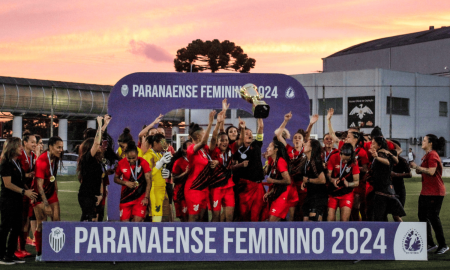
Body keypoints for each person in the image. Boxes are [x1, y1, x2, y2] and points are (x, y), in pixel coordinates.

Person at [0, 138, 37, 265]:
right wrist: (24, 192)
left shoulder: (17, 163)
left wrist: (29, 191)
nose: (21, 148)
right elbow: (8, 184)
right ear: (12, 148)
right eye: (19, 146)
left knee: (16, 227)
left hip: (17, 200)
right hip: (8, 200)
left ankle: (11, 254)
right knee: (5, 227)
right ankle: (2, 256)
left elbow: (20, 181)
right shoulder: (6, 163)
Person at [275, 112, 317, 221]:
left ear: (303, 141)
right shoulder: (289, 149)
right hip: (292, 184)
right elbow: (278, 135)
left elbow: (306, 136)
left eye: (299, 138)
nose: (297, 139)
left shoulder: (305, 150)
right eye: (295, 138)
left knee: (303, 210)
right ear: (293, 140)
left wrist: (311, 124)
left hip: (303, 185)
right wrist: (286, 121)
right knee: (292, 212)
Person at [410, 134, 448, 254]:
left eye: (424, 140)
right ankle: (431, 243)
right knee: (422, 216)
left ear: (430, 143)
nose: (422, 142)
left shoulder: (432, 154)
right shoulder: (427, 155)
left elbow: (431, 172)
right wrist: (417, 168)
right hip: (426, 191)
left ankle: (443, 245)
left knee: (433, 217)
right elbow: (423, 170)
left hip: (435, 192)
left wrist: (417, 167)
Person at [32, 136, 64, 262]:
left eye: (61, 147)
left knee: (56, 222)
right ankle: (39, 253)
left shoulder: (55, 158)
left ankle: (53, 252)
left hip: (51, 194)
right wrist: (46, 204)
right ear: (51, 147)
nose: (61, 150)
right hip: (39, 197)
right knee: (41, 224)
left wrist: (55, 188)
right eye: (58, 147)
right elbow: (39, 186)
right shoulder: (42, 161)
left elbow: (52, 176)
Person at [185, 111, 218, 222]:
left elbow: (213, 141)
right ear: (198, 136)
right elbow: (204, 141)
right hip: (194, 189)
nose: (206, 136)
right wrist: (210, 123)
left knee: (201, 219)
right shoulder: (191, 148)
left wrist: (218, 123)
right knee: (193, 218)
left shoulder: (204, 151)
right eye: (204, 134)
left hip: (204, 189)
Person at [232, 117, 265, 221]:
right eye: (246, 133)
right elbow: (231, 167)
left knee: (256, 215)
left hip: (257, 186)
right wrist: (240, 165)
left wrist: (259, 114)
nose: (250, 135)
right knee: (243, 215)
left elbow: (261, 127)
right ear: (241, 136)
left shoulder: (257, 145)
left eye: (250, 133)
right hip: (244, 187)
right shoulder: (236, 149)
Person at [366, 136, 405, 222]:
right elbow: (399, 150)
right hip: (388, 188)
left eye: (373, 143)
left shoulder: (381, 153)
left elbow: (386, 162)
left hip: (382, 190)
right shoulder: (388, 153)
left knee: (379, 216)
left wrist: (376, 157)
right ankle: (404, 231)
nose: (371, 145)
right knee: (394, 215)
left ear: (379, 145)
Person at [114, 141, 152, 222]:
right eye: (129, 158)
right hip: (125, 198)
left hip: (140, 198)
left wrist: (146, 197)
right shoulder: (121, 163)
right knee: (125, 226)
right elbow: (115, 178)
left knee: (136, 224)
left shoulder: (143, 163)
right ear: (125, 155)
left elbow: (149, 181)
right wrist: (125, 182)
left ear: (137, 154)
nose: (131, 160)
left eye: (133, 158)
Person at [77, 116, 105, 221]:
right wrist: (100, 125)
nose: (100, 146)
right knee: (89, 220)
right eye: (97, 145)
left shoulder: (97, 161)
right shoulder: (87, 158)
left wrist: (100, 195)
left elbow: (100, 179)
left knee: (93, 220)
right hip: (86, 196)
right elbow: (97, 141)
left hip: (95, 195)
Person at [209, 111, 235, 222]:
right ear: (217, 142)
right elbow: (215, 137)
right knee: (216, 217)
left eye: (226, 140)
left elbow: (223, 134)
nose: (224, 142)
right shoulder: (214, 151)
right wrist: (217, 123)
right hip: (216, 188)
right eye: (222, 140)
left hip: (229, 187)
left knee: (229, 217)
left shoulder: (230, 150)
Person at [15, 131, 37, 258]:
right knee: (21, 220)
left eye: (36, 142)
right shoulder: (20, 156)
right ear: (25, 143)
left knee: (27, 221)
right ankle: (17, 248)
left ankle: (22, 247)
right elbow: (18, 176)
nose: (34, 144)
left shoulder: (33, 156)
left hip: (30, 192)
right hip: (21, 192)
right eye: (32, 142)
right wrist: (27, 176)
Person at [264, 139, 297, 221]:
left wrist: (272, 181)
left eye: (270, 146)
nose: (267, 148)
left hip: (285, 193)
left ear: (276, 149)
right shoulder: (273, 162)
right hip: (279, 192)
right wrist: (270, 192)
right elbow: (278, 179)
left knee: (272, 221)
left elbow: (288, 181)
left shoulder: (280, 162)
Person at [142, 134, 171, 222]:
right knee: (156, 217)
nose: (164, 145)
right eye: (162, 143)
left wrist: (167, 174)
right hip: (154, 190)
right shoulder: (148, 156)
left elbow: (159, 172)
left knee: (164, 216)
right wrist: (159, 164)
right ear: (155, 143)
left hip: (162, 189)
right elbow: (147, 174)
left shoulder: (159, 155)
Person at [327, 143, 360, 221]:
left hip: (346, 193)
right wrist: (332, 180)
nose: (345, 161)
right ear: (340, 153)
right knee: (330, 219)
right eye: (343, 159)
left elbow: (357, 182)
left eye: (347, 159)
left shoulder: (354, 161)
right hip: (333, 192)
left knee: (344, 220)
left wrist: (348, 184)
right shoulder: (333, 157)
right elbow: (328, 175)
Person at [301, 139, 327, 221]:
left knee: (314, 220)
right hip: (310, 195)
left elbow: (323, 180)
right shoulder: (306, 161)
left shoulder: (316, 162)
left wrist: (308, 180)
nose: (304, 144)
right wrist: (304, 182)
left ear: (311, 148)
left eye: (306, 143)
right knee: (306, 220)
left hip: (318, 196)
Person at [26, 134, 43, 247]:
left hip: (36, 189)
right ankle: (33, 238)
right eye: (39, 143)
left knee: (32, 215)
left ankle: (29, 238)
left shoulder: (37, 156)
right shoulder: (33, 156)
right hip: (30, 189)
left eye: (40, 143)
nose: (40, 145)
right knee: (31, 215)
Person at [169, 140, 192, 222]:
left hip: (193, 192)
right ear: (184, 150)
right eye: (190, 147)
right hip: (181, 194)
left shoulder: (196, 159)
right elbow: (174, 179)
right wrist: (185, 173)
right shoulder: (178, 162)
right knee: (185, 220)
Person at [390, 140, 412, 222]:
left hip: (399, 189)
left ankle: (402, 232)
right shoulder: (386, 160)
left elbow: (409, 174)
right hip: (388, 189)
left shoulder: (402, 161)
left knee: (396, 215)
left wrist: (396, 175)